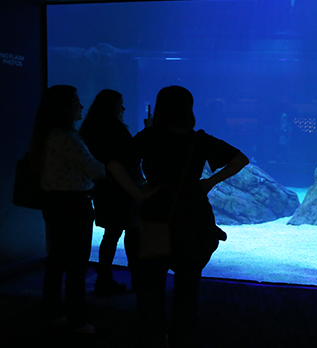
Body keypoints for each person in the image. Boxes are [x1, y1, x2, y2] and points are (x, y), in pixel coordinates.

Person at [109, 85, 249, 347]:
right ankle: (181, 338)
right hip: (191, 217)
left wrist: (138, 194)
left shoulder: (148, 137)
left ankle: (151, 337)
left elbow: (114, 164)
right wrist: (209, 183)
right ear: (189, 109)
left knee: (151, 288)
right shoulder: (199, 140)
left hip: (155, 216)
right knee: (187, 286)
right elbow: (240, 159)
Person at [29, 85, 105, 333]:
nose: (81, 107)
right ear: (65, 108)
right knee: (76, 265)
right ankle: (77, 318)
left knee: (57, 261)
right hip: (74, 206)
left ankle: (52, 312)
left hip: (53, 203)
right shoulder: (67, 138)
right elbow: (96, 169)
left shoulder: (46, 134)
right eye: (76, 102)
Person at [79, 89, 140, 295]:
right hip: (123, 189)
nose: (123, 108)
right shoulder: (114, 129)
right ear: (111, 106)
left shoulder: (90, 127)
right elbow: (130, 155)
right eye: (120, 104)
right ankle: (137, 278)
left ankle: (104, 278)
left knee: (112, 234)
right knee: (131, 233)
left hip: (104, 188)